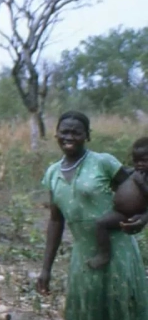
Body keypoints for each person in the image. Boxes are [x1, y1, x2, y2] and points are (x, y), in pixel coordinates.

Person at [37, 111, 148, 320]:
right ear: (56, 134)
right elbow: (55, 221)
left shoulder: (103, 163)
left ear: (87, 135)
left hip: (118, 252)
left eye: (76, 132)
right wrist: (45, 269)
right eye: (64, 132)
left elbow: (140, 192)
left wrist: (144, 218)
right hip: (84, 257)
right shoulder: (52, 173)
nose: (69, 137)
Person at [87, 136, 148, 269]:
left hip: (131, 215)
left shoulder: (143, 178)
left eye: (144, 161)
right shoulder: (135, 172)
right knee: (100, 224)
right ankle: (104, 253)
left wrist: (142, 184)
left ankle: (105, 255)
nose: (139, 164)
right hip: (118, 211)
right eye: (136, 161)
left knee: (102, 223)